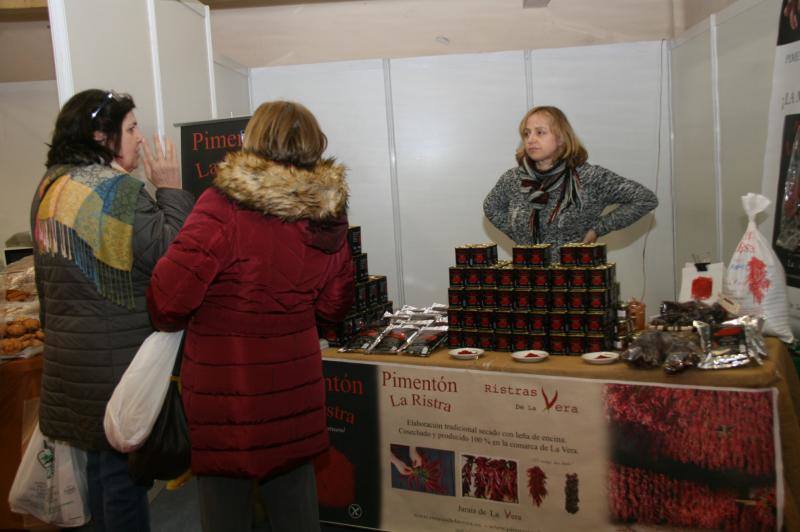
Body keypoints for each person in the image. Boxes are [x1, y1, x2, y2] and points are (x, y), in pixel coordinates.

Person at [146, 101, 355, 532]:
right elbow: (335, 305)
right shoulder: (328, 214)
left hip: (227, 392)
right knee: (296, 509)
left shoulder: (223, 205)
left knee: (226, 513)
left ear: (253, 140)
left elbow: (168, 300)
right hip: (294, 387)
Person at [30, 89, 194, 531]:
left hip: (72, 368)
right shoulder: (115, 193)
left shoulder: (51, 187)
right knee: (123, 486)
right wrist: (170, 190)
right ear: (102, 137)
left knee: (101, 483)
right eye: (131, 128)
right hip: (117, 370)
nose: (140, 138)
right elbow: (175, 259)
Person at [483, 106, 658, 260]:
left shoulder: (588, 177)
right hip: (530, 279)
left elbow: (645, 199)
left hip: (575, 282)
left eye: (540, 132)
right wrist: (520, 235)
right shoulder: (513, 178)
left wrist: (597, 229)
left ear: (560, 138)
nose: (531, 139)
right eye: (527, 133)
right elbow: (491, 206)